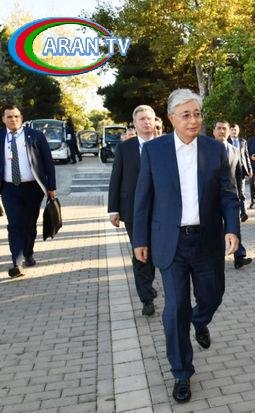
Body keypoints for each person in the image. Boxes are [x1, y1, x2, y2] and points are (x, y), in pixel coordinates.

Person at [132, 89, 240, 404]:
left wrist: (232, 229)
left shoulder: (215, 150)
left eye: (197, 114)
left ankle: (200, 320)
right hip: (170, 242)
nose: (194, 120)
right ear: (171, 118)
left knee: (212, 296)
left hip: (207, 240)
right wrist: (140, 239)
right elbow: (143, 197)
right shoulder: (154, 151)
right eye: (186, 115)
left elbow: (228, 194)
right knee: (175, 308)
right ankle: (181, 372)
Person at [0, 105, 56, 278]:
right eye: (9, 117)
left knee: (30, 225)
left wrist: (51, 187)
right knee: (15, 224)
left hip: (33, 188)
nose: (13, 120)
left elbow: (48, 162)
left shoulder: (35, 135)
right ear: (3, 119)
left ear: (21, 118)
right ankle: (16, 262)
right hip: (9, 188)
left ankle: (28, 254)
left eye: (16, 116)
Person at [108, 105, 159, 316]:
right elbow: (116, 178)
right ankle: (146, 298)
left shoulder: (164, 145)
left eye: (149, 118)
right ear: (135, 124)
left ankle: (149, 285)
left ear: (155, 121)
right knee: (141, 252)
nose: (146, 122)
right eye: (142, 119)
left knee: (156, 251)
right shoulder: (125, 148)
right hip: (132, 210)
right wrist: (113, 209)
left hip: (160, 209)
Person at [214, 121, 252, 270]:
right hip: (212, 197)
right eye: (219, 128)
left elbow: (238, 173)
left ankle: (239, 257)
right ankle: (214, 257)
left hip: (230, 195)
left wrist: (240, 193)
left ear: (229, 132)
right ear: (214, 131)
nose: (221, 131)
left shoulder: (235, 150)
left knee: (234, 225)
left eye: (224, 128)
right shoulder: (207, 150)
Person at [227, 123, 252, 222]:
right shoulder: (226, 141)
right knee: (233, 192)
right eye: (232, 129)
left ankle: (243, 212)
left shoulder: (243, 141)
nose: (234, 131)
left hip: (241, 169)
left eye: (235, 129)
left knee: (241, 191)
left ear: (238, 130)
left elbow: (246, 156)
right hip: (230, 170)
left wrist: (249, 168)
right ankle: (234, 212)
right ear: (229, 131)